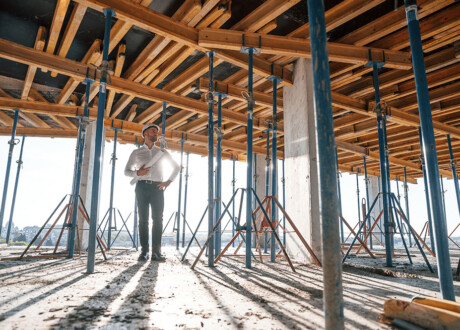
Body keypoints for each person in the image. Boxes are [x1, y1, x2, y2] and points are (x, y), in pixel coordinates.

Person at [125, 123, 180, 261]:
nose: (156, 134)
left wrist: (168, 181)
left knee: (158, 220)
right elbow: (126, 171)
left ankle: (156, 252)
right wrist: (138, 172)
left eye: (156, 132)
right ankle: (144, 252)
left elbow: (177, 167)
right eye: (153, 131)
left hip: (157, 188)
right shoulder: (136, 153)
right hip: (141, 187)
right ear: (145, 134)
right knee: (143, 220)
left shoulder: (162, 152)